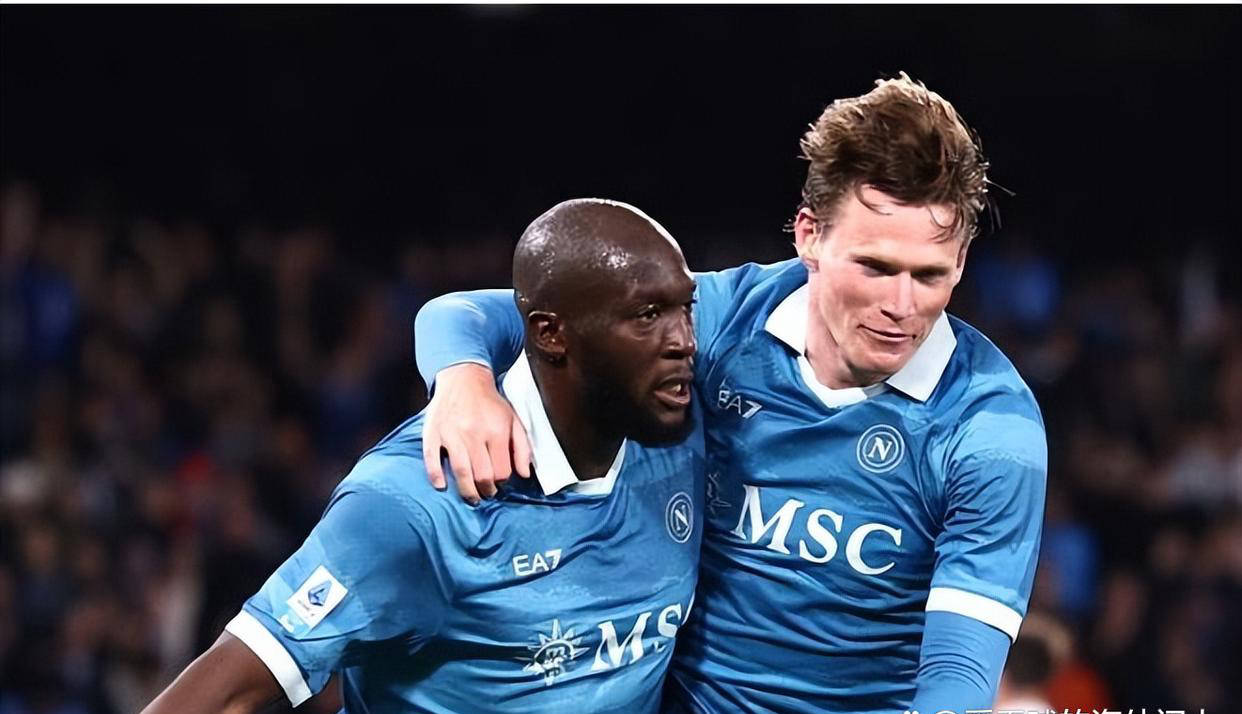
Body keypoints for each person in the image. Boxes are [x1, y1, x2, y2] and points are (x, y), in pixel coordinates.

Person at [412, 73, 1048, 713]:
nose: (901, 305)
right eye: (875, 267)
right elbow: (469, 314)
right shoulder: (725, 319)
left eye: (929, 275)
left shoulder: (992, 428)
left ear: (961, 262)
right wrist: (462, 382)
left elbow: (958, 675)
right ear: (809, 236)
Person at [142, 199, 705, 714]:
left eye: (687, 309)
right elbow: (215, 697)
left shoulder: (676, 431)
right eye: (647, 315)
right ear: (552, 335)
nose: (685, 341)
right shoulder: (412, 506)